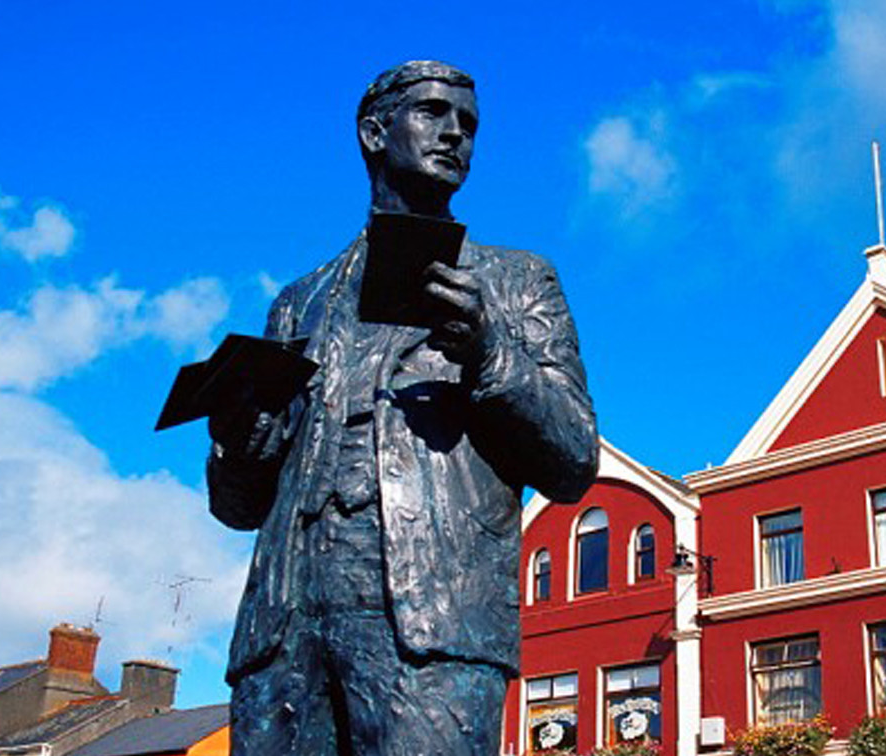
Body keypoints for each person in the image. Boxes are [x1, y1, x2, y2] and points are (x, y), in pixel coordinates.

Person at [205, 60, 598, 756]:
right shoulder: (297, 304)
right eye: (434, 114)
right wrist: (238, 442)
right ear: (373, 132)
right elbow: (240, 508)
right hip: (283, 629)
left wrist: (491, 351)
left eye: (469, 125)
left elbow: (572, 460)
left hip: (433, 625)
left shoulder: (514, 282)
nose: (456, 136)